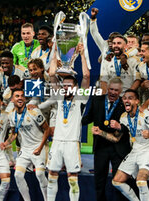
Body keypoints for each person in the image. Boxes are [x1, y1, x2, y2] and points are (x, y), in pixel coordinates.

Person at [46, 42, 90, 201]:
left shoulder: (80, 99)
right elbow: (51, 74)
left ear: (76, 87)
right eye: (63, 86)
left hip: (72, 143)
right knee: (52, 175)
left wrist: (83, 54)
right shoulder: (59, 98)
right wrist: (54, 51)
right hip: (57, 141)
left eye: (69, 86)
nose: (65, 88)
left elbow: (86, 76)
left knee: (72, 177)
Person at [82, 78, 131, 201]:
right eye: (111, 89)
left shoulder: (123, 105)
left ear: (120, 92)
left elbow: (126, 127)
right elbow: (87, 118)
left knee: (119, 182)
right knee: (99, 181)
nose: (113, 92)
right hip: (101, 146)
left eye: (116, 90)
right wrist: (77, 112)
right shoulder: (97, 100)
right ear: (107, 89)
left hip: (118, 148)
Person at [111, 89, 149, 201]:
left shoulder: (146, 115)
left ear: (137, 101)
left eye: (130, 98)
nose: (126, 100)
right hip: (134, 151)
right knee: (116, 181)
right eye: (124, 98)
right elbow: (116, 138)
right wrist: (101, 133)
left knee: (141, 181)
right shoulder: (123, 117)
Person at [3, 89, 49, 201]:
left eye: (22, 96)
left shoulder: (34, 112)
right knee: (17, 175)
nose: (20, 98)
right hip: (25, 149)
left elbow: (47, 130)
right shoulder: (12, 115)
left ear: (25, 99)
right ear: (12, 99)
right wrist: (6, 143)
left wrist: (40, 147)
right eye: (17, 96)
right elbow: (14, 133)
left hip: (38, 146)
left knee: (39, 174)